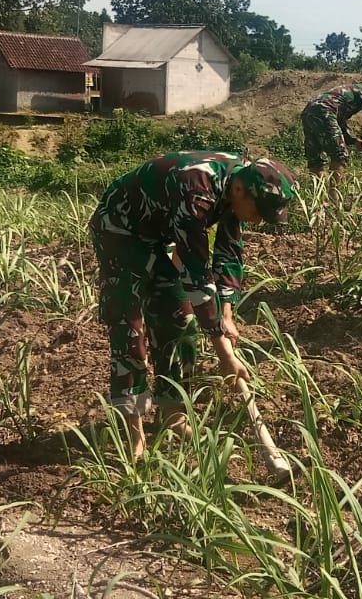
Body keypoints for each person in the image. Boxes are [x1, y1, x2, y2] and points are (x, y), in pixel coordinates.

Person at [90, 151, 296, 459]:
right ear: (241, 191)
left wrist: (225, 314)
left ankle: (173, 416)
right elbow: (197, 273)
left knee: (180, 319)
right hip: (120, 232)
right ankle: (133, 434)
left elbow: (228, 251)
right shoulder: (196, 189)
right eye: (258, 211)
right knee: (130, 329)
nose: (257, 220)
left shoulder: (237, 180)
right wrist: (225, 354)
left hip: (159, 234)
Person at [301, 80, 362, 174]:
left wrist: (354, 140)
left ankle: (316, 191)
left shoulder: (346, 93)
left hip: (309, 111)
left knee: (315, 157)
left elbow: (340, 123)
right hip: (325, 110)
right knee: (340, 155)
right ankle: (334, 193)